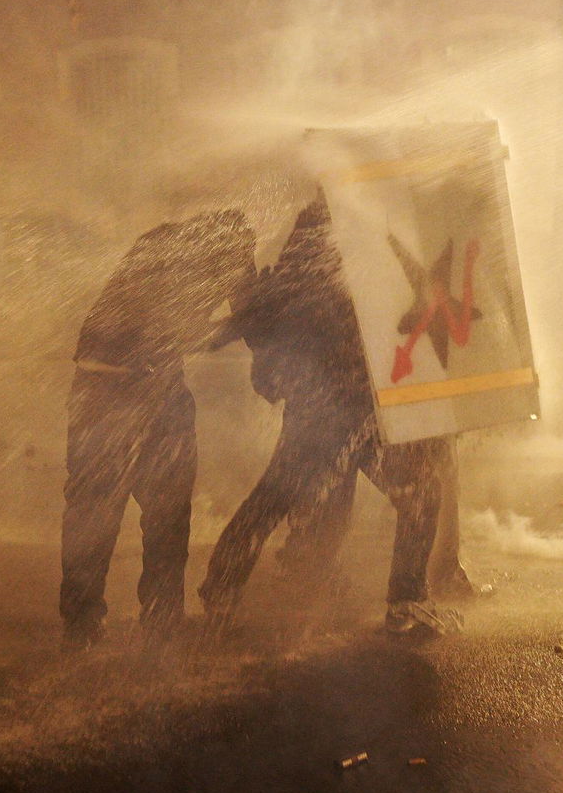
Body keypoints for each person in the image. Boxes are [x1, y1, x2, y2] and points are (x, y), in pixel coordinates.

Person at [198, 196, 467, 637]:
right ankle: (400, 600)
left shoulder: (347, 238)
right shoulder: (329, 238)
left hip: (350, 405)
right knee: (284, 499)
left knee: (410, 491)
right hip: (334, 409)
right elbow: (278, 313)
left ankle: (225, 592)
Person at [58, 209, 257, 650]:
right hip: (122, 391)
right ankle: (138, 621)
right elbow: (191, 329)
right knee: (131, 514)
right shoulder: (194, 256)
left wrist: (249, 317)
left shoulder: (170, 243)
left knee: (116, 513)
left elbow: (238, 312)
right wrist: (244, 321)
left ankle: (109, 623)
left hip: (118, 387)